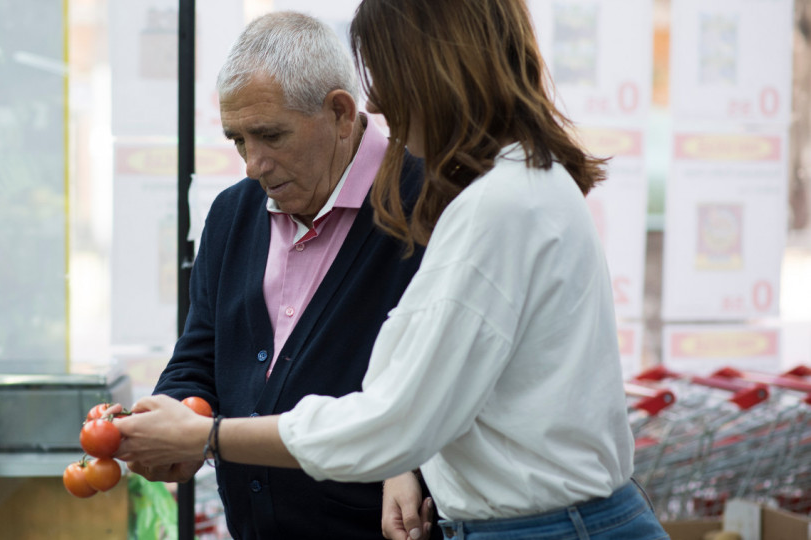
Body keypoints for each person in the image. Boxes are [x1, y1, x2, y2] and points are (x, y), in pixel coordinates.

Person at [113, 1, 671, 539]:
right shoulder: (519, 186)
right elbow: (419, 401)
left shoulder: (487, 204)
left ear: (436, 75)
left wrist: (208, 437)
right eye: (239, 139)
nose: (377, 101)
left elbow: (395, 419)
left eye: (388, 74)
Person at [120, 10, 437, 540]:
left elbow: (454, 380)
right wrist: (170, 418)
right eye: (238, 139)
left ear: (340, 112)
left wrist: (413, 465)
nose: (252, 163)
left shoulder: (428, 204)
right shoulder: (231, 214)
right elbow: (201, 353)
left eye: (270, 135)